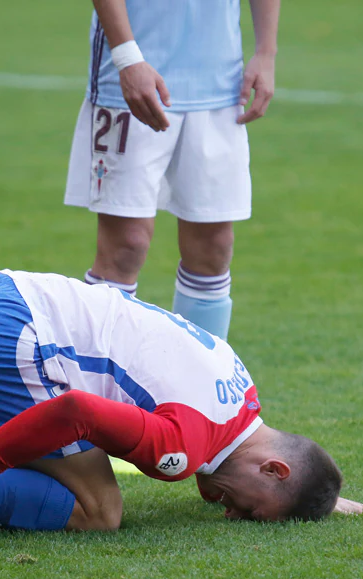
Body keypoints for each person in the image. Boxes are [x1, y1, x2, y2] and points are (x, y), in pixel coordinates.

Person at [0, 269, 363, 539]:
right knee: (100, 511)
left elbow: (269, 472)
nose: (230, 514)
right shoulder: (184, 447)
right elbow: (75, 414)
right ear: (274, 468)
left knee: (64, 466)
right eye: (251, 512)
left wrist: (323, 498)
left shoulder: (239, 393)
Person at [64, 0, 280, 340]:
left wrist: (266, 52)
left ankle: (198, 387)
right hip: (129, 82)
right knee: (126, 245)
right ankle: (104, 387)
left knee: (214, 246)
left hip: (221, 85)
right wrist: (127, 58)